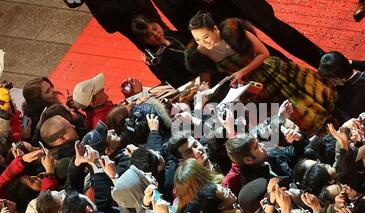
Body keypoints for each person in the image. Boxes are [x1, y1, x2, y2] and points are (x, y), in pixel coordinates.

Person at [185, 12, 337, 135]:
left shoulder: (236, 34)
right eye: (197, 40)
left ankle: (331, 131)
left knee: (303, 109)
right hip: (252, 89)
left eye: (205, 37)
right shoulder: (202, 52)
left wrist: (241, 72)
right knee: (284, 121)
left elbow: (264, 54)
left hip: (271, 74)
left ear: (215, 29)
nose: (203, 43)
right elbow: (210, 75)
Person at [153, 0, 325, 68]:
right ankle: (296, 76)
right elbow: (172, 10)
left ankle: (326, 64)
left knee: (277, 29)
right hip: (205, 15)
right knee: (254, 49)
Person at [62, 0, 163, 50]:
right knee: (146, 46)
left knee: (162, 32)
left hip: (137, 6)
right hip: (116, 16)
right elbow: (74, 2)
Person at [130, 15, 197, 88]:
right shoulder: (157, 60)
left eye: (155, 28)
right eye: (149, 36)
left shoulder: (168, 34)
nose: (156, 34)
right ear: (144, 41)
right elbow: (178, 83)